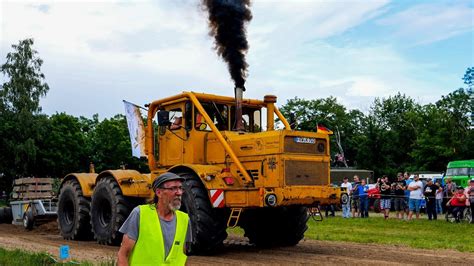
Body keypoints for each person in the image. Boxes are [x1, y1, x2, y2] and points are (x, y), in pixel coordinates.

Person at [117, 172, 192, 265]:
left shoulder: (184, 219)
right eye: (173, 188)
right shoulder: (140, 213)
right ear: (159, 192)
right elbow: (123, 254)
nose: (179, 193)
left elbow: (182, 256)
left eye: (180, 188)